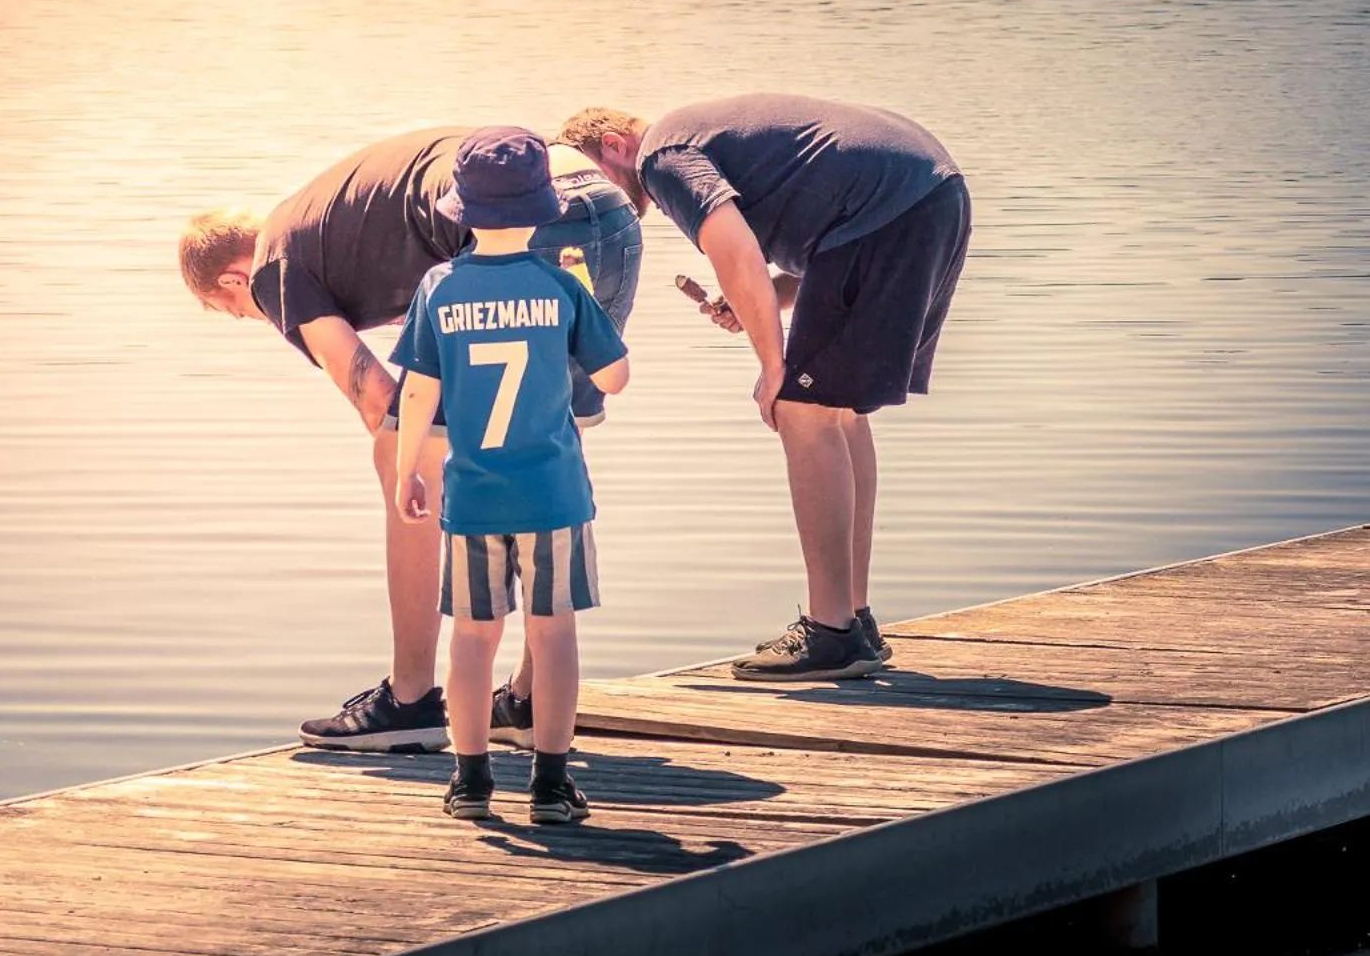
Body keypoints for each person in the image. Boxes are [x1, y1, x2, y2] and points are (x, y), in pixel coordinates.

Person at [178, 127, 640, 751]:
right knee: (549, 433)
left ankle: (412, 698)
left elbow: (376, 396)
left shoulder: (273, 266)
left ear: (233, 283)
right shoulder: (327, 222)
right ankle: (531, 703)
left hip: (527, 216)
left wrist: (428, 467)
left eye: (239, 314)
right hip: (603, 208)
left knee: (400, 451)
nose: (260, 316)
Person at [558, 95, 971, 682]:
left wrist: (773, 365)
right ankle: (853, 618)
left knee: (803, 409)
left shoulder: (662, 155)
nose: (598, 199)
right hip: (928, 195)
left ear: (614, 146)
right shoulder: (705, 136)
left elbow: (735, 251)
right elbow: (813, 239)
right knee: (840, 412)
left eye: (593, 178)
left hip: (890, 211)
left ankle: (831, 634)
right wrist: (765, 300)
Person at [389, 127, 630, 822]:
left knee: (472, 635)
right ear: (540, 209)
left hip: (471, 498)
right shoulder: (560, 285)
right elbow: (615, 375)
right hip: (553, 495)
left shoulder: (438, 287)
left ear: (462, 210)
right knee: (551, 631)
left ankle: (470, 782)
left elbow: (416, 393)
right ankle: (551, 785)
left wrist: (409, 470)